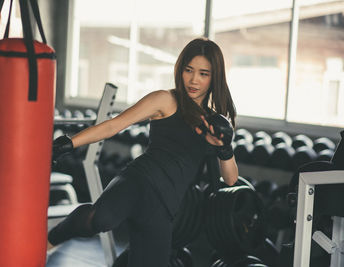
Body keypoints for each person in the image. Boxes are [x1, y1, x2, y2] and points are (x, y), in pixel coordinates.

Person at [47, 37, 239, 267]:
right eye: (189, 70)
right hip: (138, 182)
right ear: (180, 69)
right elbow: (113, 125)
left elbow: (230, 179)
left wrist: (224, 147)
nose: (194, 80)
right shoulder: (166, 100)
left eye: (203, 73)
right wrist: (69, 143)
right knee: (101, 219)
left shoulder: (215, 123)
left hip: (165, 206)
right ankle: (50, 240)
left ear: (214, 77)